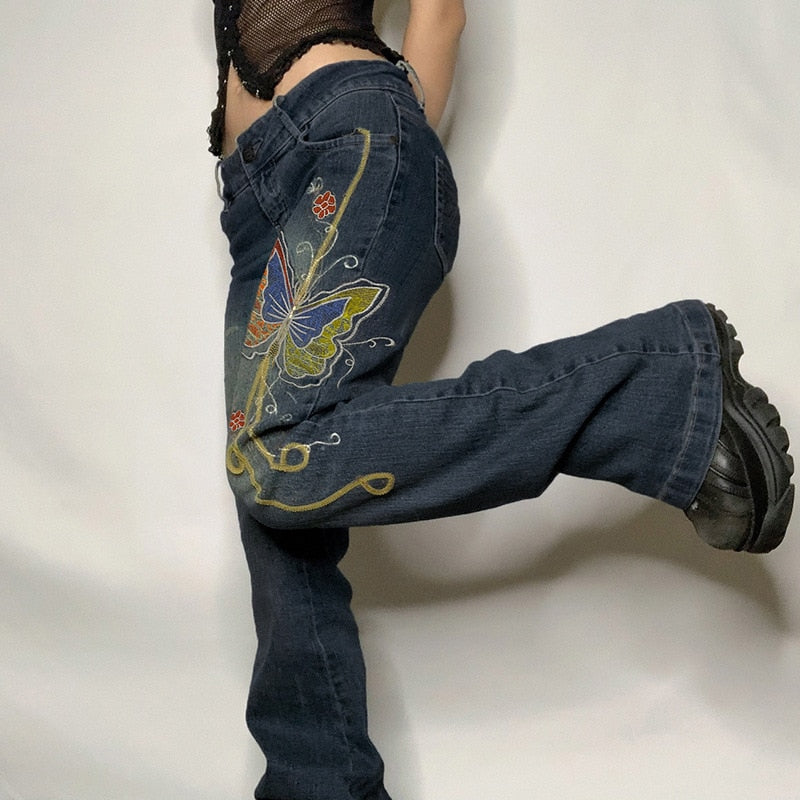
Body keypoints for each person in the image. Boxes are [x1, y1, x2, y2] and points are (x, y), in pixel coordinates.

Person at [210, 2, 795, 798]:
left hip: (343, 142)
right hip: (256, 202)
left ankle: (659, 381)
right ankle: (318, 786)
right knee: (284, 517)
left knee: (278, 461)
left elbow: (440, 11)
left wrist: (389, 155)